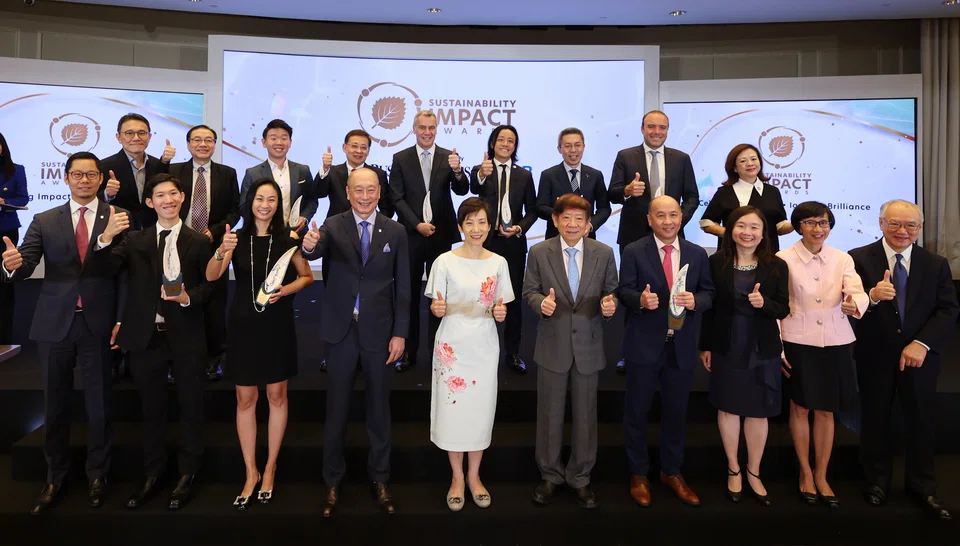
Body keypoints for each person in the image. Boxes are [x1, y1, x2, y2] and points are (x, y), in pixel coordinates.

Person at [2, 151, 130, 514]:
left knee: (99, 405)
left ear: (101, 179)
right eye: (78, 174)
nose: (85, 180)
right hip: (54, 323)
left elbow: (122, 268)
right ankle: (55, 476)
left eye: (91, 175)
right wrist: (11, 266)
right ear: (66, 177)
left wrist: (104, 242)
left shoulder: (118, 218)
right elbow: (25, 265)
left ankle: (97, 476)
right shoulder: (45, 220)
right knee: (55, 405)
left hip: (98, 323)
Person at [300, 168, 410, 517]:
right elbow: (316, 252)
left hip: (380, 332)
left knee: (379, 410)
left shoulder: (395, 230)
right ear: (348, 192)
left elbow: (404, 286)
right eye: (358, 190)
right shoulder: (333, 224)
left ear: (380, 192)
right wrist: (308, 244)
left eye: (371, 190)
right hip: (341, 331)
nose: (364, 196)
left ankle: (380, 478)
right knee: (337, 410)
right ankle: (332, 481)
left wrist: (401, 333)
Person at [103, 174, 212, 511]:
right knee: (152, 411)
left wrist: (187, 299)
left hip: (186, 337)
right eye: (160, 195)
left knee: (192, 408)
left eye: (173, 194)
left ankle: (187, 474)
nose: (167, 200)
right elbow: (106, 269)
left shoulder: (198, 241)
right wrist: (106, 238)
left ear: (182, 198)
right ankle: (153, 473)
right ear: (150, 203)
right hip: (145, 338)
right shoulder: (134, 240)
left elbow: (210, 288)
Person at [207, 177, 314, 510]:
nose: (264, 205)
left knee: (276, 394)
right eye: (258, 199)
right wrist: (222, 251)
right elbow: (212, 275)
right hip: (241, 325)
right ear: (249, 203)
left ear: (278, 204)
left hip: (276, 325)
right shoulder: (235, 238)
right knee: (245, 398)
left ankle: (270, 468)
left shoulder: (287, 239)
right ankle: (250, 471)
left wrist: (286, 290)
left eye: (271, 199)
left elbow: (306, 276)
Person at [850, 199, 959, 519]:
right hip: (875, 355)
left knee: (922, 422)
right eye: (895, 223)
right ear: (881, 223)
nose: (902, 231)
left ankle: (923, 488)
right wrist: (870, 297)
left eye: (910, 225)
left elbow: (947, 309)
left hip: (919, 357)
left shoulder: (935, 263)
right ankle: (876, 483)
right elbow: (845, 304)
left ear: (920, 228)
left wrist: (922, 344)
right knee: (875, 420)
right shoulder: (857, 259)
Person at [523, 193, 619, 510]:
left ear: (589, 224)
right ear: (555, 220)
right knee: (549, 414)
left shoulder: (604, 253)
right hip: (552, 344)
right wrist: (542, 304)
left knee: (585, 415)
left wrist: (610, 305)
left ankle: (581, 477)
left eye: (579, 219)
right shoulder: (538, 252)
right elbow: (530, 292)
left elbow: (611, 292)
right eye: (566, 218)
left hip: (588, 345)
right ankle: (550, 475)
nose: (573, 224)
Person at [619, 195, 714, 508]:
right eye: (661, 215)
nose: (668, 221)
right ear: (649, 219)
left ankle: (672, 472)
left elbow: (709, 293)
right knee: (637, 412)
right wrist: (639, 301)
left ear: (681, 217)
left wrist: (696, 302)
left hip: (682, 347)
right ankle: (638, 474)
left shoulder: (697, 253)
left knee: (676, 414)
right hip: (644, 344)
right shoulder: (633, 251)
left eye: (674, 215)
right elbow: (624, 291)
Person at [777, 201, 868, 508]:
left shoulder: (842, 258)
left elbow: (855, 290)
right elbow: (777, 305)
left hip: (836, 341)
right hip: (797, 340)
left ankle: (821, 473)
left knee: (827, 410)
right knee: (800, 408)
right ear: (798, 225)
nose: (818, 229)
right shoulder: (783, 258)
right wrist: (778, 345)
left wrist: (854, 303)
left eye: (824, 223)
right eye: (811, 223)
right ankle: (804, 472)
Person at [699, 206, 790, 507]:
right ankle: (733, 468)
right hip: (727, 343)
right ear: (730, 229)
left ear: (764, 233)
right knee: (728, 407)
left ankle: (754, 470)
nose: (747, 233)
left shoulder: (776, 265)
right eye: (740, 226)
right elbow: (709, 309)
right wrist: (705, 345)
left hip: (761, 346)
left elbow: (783, 308)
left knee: (758, 410)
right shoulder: (716, 263)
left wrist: (764, 303)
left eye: (754, 227)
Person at [425, 197, 510, 511]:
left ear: (490, 226)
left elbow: (501, 303)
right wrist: (436, 308)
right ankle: (457, 477)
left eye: (482, 222)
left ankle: (475, 476)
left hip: (484, 343)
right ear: (460, 226)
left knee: (480, 409)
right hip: (452, 343)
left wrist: (500, 312)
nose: (477, 229)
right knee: (453, 411)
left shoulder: (499, 262)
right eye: (470, 222)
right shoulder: (444, 261)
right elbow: (437, 304)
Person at [609, 110, 699, 374]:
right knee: (633, 294)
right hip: (634, 235)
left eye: (662, 127)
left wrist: (677, 219)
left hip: (671, 237)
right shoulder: (626, 156)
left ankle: (671, 344)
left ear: (668, 130)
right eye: (651, 127)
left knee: (670, 289)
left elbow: (692, 196)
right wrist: (626, 191)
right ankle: (629, 352)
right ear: (642, 129)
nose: (656, 132)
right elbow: (612, 193)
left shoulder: (681, 159)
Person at [388, 109, 469, 372]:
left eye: (431, 127)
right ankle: (408, 353)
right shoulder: (400, 158)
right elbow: (396, 197)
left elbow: (462, 189)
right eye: (422, 127)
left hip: (440, 235)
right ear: (414, 129)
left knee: (439, 296)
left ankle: (438, 351)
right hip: (410, 236)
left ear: (437, 129)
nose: (427, 132)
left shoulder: (449, 157)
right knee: (408, 294)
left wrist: (458, 172)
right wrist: (416, 224)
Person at [314, 129, 394, 372]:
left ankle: (366, 350)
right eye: (354, 146)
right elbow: (316, 193)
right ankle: (334, 350)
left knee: (369, 296)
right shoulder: (335, 171)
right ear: (344, 147)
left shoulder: (378, 174)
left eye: (364, 147)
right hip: (337, 245)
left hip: (370, 242)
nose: (358, 151)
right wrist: (324, 170)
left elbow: (387, 207)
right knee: (337, 296)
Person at [169, 124, 240, 382]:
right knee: (178, 299)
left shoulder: (227, 173)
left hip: (212, 246)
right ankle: (176, 359)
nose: (203, 144)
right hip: (177, 246)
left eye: (208, 140)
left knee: (214, 302)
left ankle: (213, 358)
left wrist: (215, 231)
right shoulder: (173, 171)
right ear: (188, 144)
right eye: (197, 140)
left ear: (214, 144)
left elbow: (235, 211)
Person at [470, 125, 537, 374]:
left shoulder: (524, 175)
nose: (506, 144)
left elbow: (533, 209)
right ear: (492, 143)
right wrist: (480, 175)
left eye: (511, 141)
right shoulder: (482, 170)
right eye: (501, 140)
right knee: (481, 296)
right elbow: (472, 191)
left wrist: (519, 227)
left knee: (513, 298)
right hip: (485, 244)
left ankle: (513, 352)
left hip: (513, 244)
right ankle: (478, 349)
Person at [700, 144, 792, 252]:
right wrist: (732, 234)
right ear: (734, 168)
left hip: (767, 255)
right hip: (732, 254)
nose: (750, 164)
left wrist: (797, 223)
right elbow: (707, 222)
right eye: (743, 161)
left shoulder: (772, 191)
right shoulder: (724, 192)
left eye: (753, 159)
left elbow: (780, 227)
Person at [239, 119, 317, 237]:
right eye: (273, 138)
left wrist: (304, 218)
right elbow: (243, 206)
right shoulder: (252, 173)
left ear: (290, 142)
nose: (279, 142)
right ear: (264, 142)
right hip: (262, 236)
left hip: (296, 233)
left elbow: (312, 200)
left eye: (284, 138)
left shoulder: (303, 171)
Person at [99, 113, 175, 230]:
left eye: (141, 133)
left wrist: (164, 162)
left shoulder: (158, 165)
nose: (136, 138)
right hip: (120, 233)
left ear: (149, 137)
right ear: (118, 137)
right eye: (129, 133)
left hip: (152, 231)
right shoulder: (104, 166)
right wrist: (107, 194)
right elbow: (92, 202)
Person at [536, 127, 611, 240]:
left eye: (577, 145)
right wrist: (564, 215)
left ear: (583, 147)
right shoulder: (548, 175)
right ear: (559, 149)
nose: (573, 150)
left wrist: (589, 225)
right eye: (567, 146)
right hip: (556, 237)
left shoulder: (595, 175)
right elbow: (541, 207)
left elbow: (604, 208)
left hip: (587, 238)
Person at [0, 132, 30, 344]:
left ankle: (4, 338)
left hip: (5, 230)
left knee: (4, 284)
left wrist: (4, 199)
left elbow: (22, 198)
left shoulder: (16, 170)